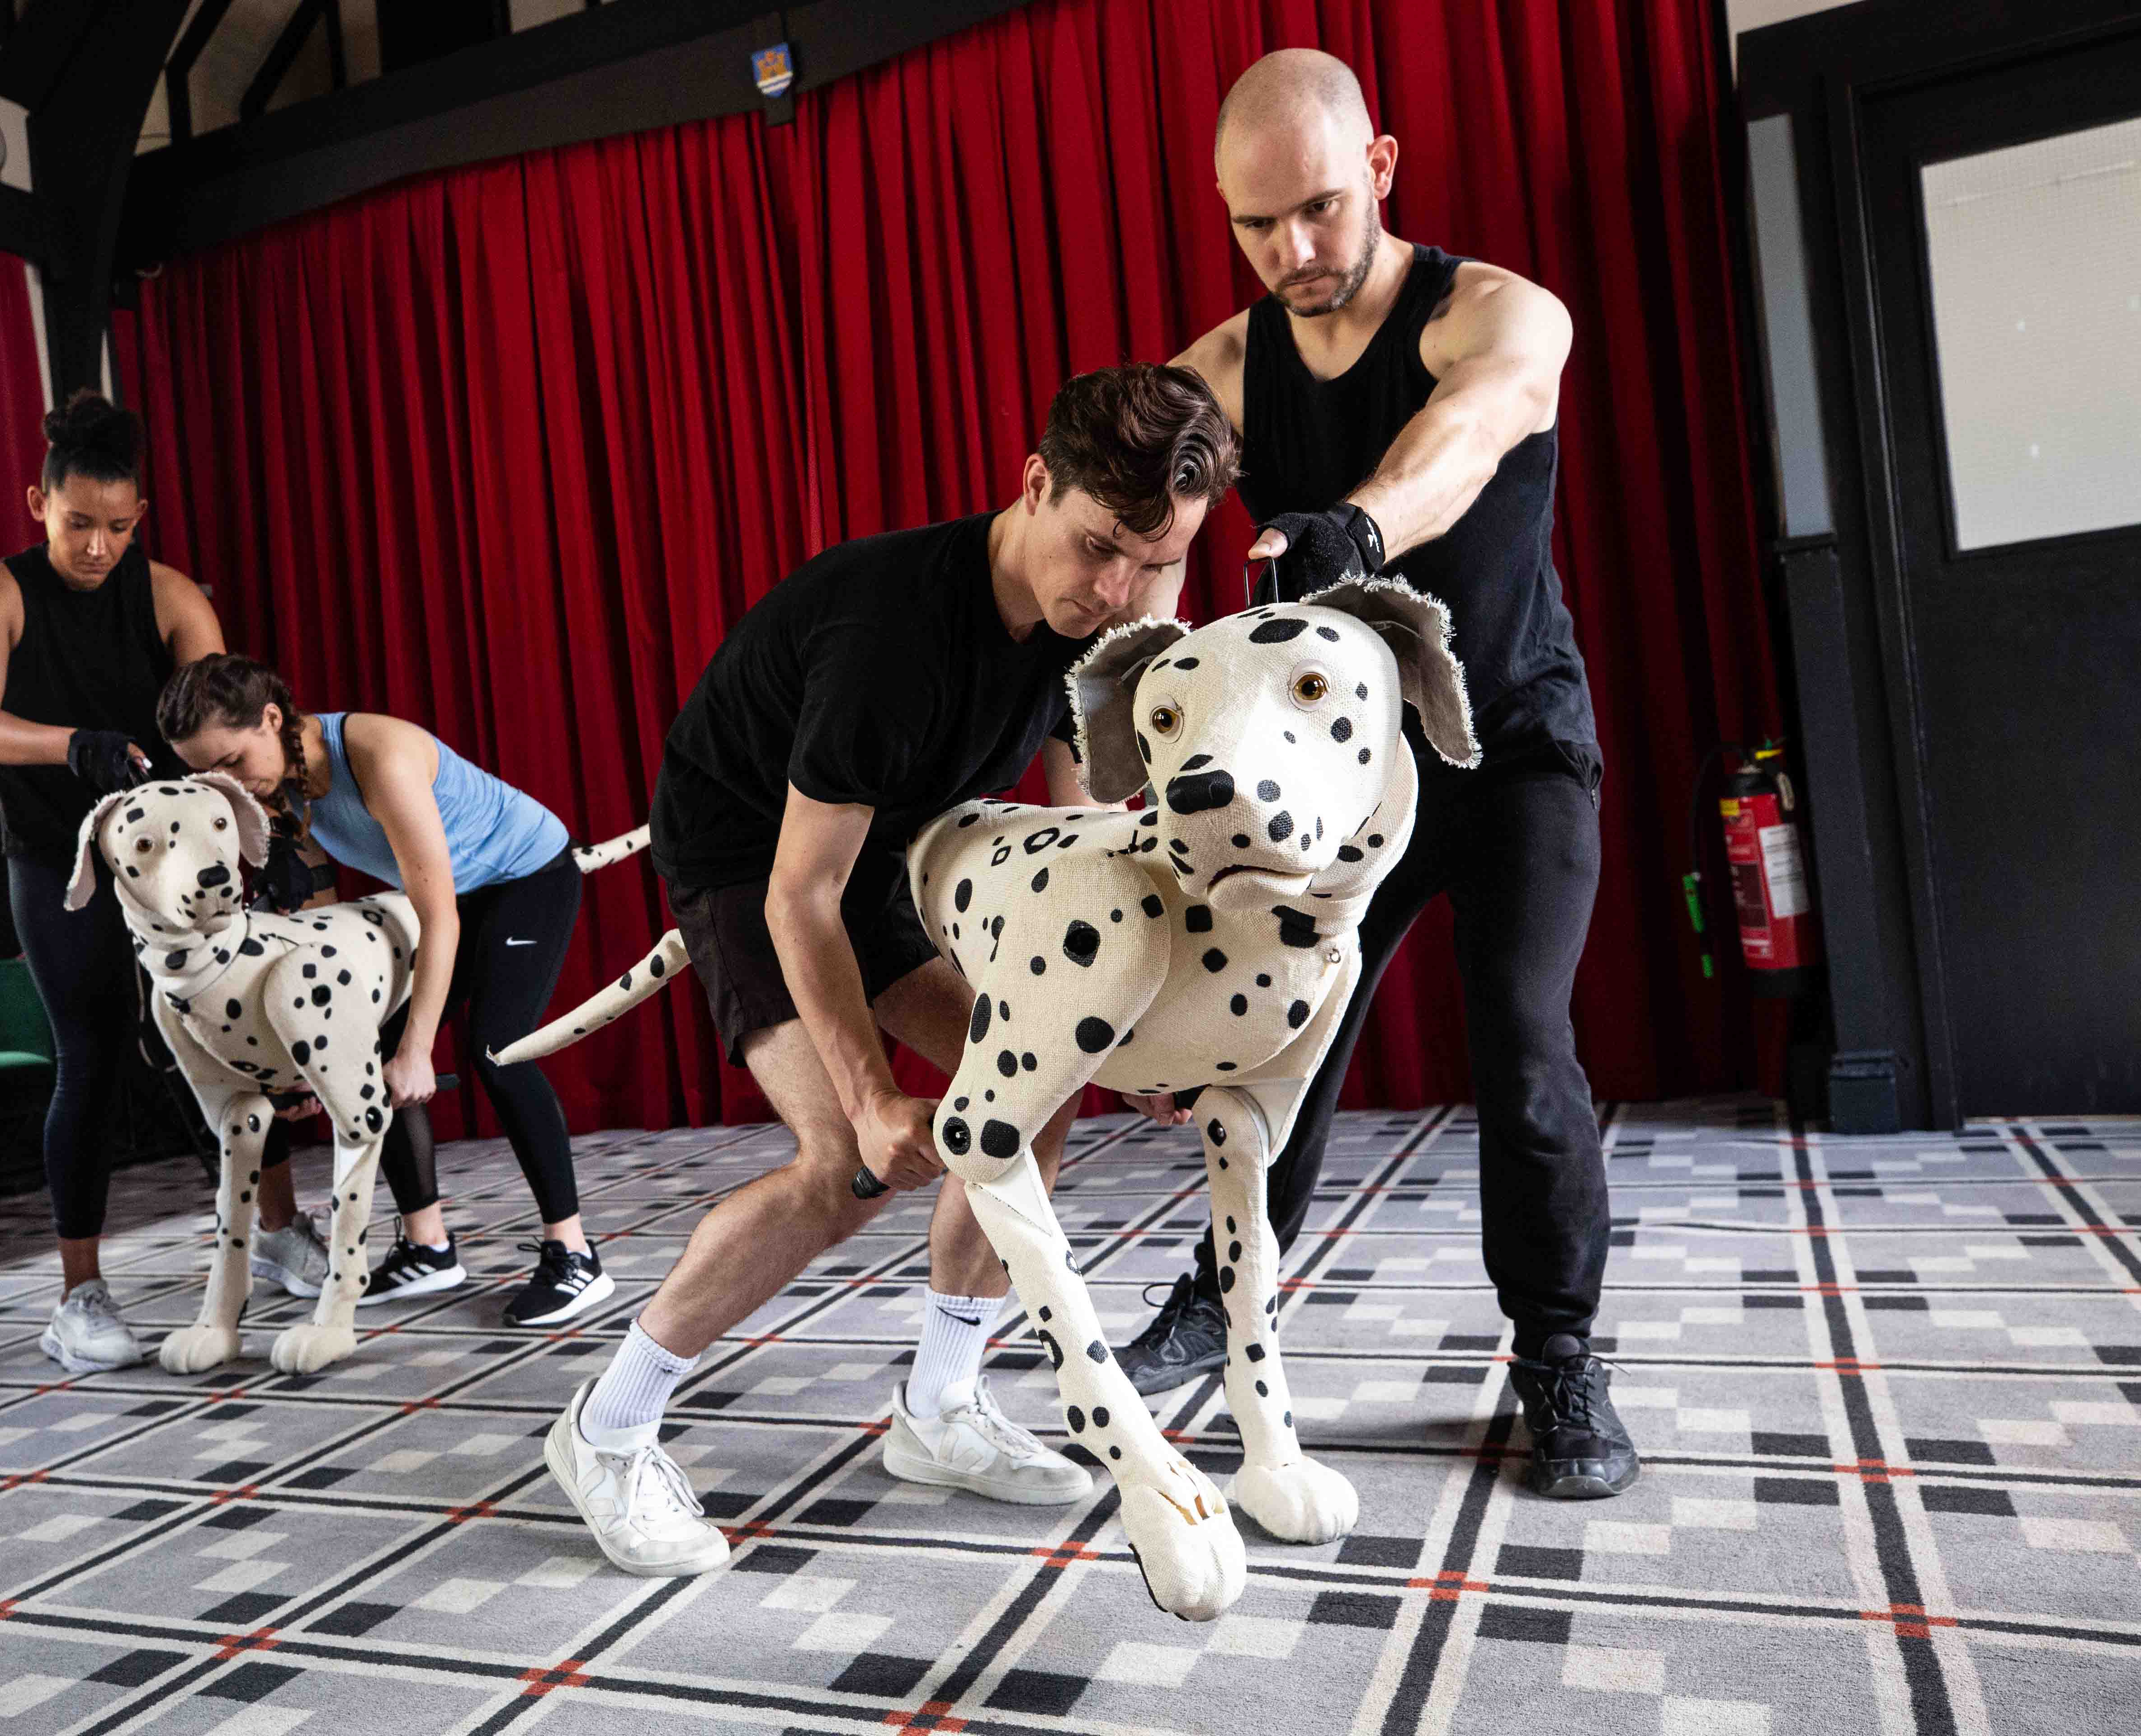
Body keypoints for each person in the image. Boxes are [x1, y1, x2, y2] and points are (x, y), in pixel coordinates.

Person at [542, 365, 1237, 1576]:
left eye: (1158, 561)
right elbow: (798, 895)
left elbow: (1090, 840)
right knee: (842, 1169)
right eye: (1097, 549)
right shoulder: (891, 637)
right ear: (1035, 484)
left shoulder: (1099, 625)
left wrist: (1124, 1035)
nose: (1119, 593)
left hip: (881, 856)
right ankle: (605, 1431)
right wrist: (869, 1100)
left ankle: (940, 1408)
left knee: (1035, 1086)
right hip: (752, 861)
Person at [1115, 49, 1635, 1499]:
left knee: (1521, 1037)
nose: (1293, 250)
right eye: (1256, 225)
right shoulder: (1224, 373)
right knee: (1276, 1043)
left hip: (1513, 746)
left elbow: (1467, 431)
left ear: (1384, 169)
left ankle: (1559, 1354)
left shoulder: (1498, 313)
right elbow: (1141, 536)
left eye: (1322, 210)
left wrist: (1358, 527)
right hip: (1342, 793)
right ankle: (1223, 1291)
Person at [0, 392, 331, 1375]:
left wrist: (273, 844)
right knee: (91, 1056)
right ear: (39, 503)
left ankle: (280, 1233)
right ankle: (79, 1298)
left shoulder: (168, 595)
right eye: (79, 523)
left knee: (238, 1039)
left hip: (178, 868)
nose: (97, 547)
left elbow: (227, 721)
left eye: (118, 527)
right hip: (59, 862)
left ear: (139, 517)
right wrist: (71, 745)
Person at [161, 654, 613, 1327]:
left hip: (526, 878)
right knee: (362, 1049)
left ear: (272, 718)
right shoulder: (274, 784)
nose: (228, 784)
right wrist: (308, 1058)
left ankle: (575, 1255)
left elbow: (440, 916)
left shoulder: (380, 756)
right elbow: (315, 914)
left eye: (231, 762)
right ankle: (429, 1247)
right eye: (209, 775)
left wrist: (419, 1050)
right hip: (452, 898)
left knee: (499, 1050)